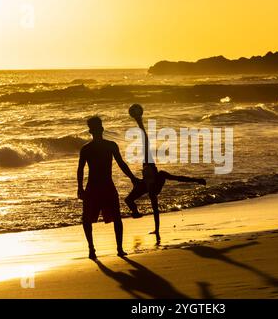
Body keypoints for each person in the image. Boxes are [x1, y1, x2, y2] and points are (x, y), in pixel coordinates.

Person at [126, 104, 206, 244]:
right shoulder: (151, 174)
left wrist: (196, 180)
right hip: (147, 171)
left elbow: (179, 178)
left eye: (148, 174)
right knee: (128, 200)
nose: (146, 174)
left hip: (147, 177)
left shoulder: (157, 181)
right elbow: (179, 178)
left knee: (145, 142)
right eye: (146, 174)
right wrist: (135, 212)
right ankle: (139, 121)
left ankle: (139, 120)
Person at [77, 116, 140, 259]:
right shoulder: (89, 148)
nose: (98, 129)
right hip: (96, 187)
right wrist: (80, 188)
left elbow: (121, 164)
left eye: (98, 127)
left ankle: (119, 248)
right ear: (94, 130)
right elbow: (80, 169)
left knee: (116, 218)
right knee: (87, 220)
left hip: (102, 186)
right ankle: (92, 249)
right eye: (97, 127)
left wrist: (133, 178)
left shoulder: (105, 146)